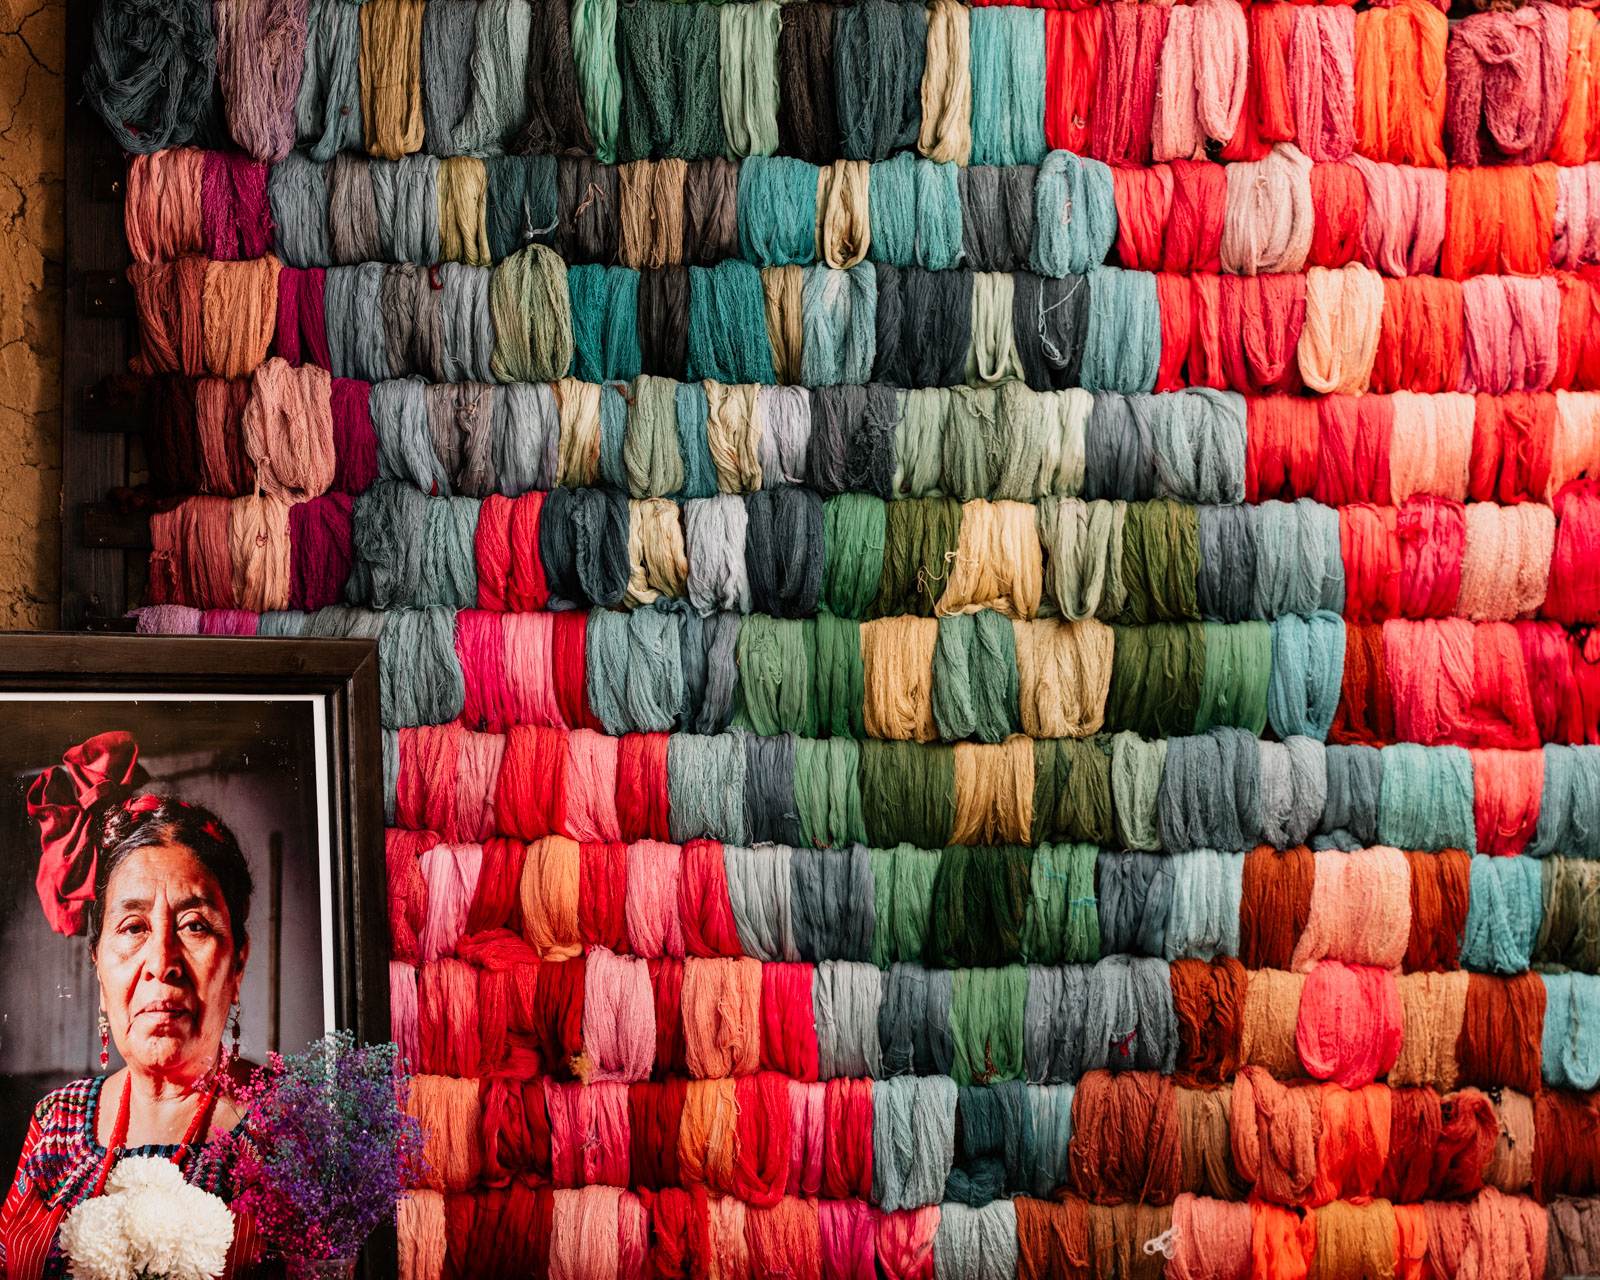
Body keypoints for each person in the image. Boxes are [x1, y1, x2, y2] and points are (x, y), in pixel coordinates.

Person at [0, 732, 261, 1280]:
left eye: (194, 926)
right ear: (98, 966)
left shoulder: (290, 1129)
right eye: (133, 927)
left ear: (236, 965)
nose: (160, 961)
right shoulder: (55, 1124)